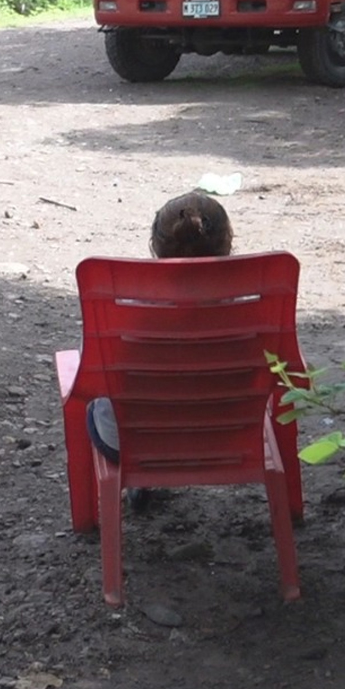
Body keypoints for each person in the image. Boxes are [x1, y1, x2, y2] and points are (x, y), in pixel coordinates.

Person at [86, 192, 235, 481]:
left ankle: (138, 482)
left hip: (129, 442)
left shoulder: (124, 304)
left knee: (94, 403)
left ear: (156, 245)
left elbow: (92, 372)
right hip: (230, 437)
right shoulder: (251, 300)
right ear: (227, 243)